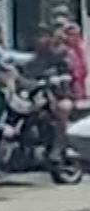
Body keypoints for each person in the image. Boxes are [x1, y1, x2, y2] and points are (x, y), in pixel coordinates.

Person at [22, 28, 74, 163]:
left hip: (62, 95)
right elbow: (27, 76)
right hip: (38, 95)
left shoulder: (65, 57)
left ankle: (58, 148)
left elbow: (71, 77)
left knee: (63, 108)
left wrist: (60, 81)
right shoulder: (35, 60)